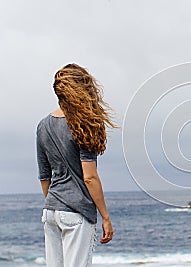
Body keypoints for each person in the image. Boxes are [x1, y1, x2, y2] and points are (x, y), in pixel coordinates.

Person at [36, 63, 117, 266]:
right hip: (76, 212)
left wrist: (56, 202)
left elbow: (44, 176)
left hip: (51, 211)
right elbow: (89, 177)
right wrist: (105, 217)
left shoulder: (43, 125)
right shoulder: (83, 125)